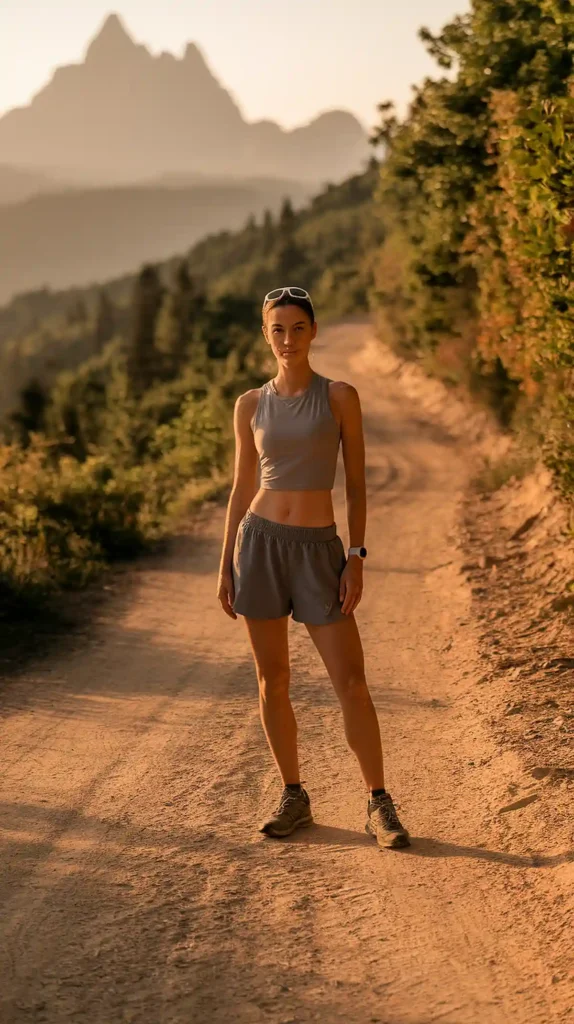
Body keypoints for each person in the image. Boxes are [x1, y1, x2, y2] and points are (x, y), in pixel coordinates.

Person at [217, 286, 410, 850]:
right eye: (277, 329)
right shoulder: (249, 404)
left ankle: (379, 803)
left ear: (314, 331)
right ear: (265, 335)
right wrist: (226, 564)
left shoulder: (340, 397)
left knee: (351, 682)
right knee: (272, 680)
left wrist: (356, 556)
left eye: (298, 328)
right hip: (259, 544)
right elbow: (241, 487)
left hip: (319, 549)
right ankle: (293, 795)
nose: (288, 339)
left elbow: (356, 484)